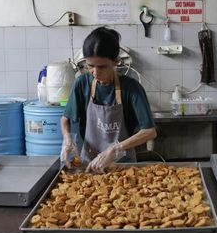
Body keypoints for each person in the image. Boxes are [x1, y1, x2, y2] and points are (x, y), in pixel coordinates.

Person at [60, 27, 157, 173]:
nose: (95, 72)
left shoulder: (131, 88)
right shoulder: (82, 83)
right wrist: (67, 140)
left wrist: (115, 148)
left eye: (102, 67)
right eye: (90, 66)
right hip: (90, 165)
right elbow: (65, 119)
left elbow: (149, 132)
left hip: (123, 167)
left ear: (116, 61)